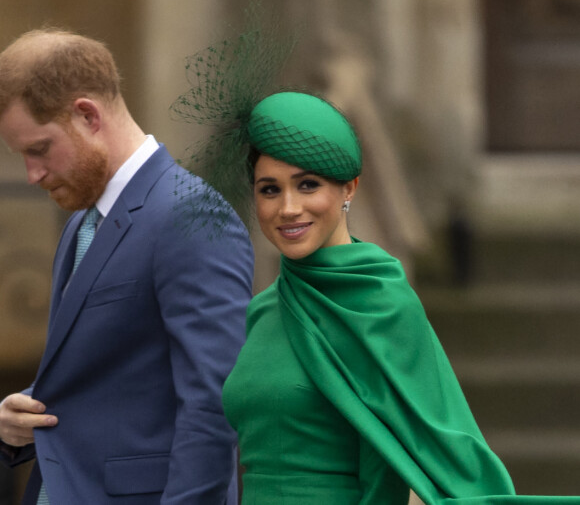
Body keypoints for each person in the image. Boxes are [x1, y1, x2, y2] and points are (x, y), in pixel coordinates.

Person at [176, 79, 579, 503]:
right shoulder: (263, 310)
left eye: (308, 184)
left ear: (349, 187)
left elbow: (427, 456)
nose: (288, 207)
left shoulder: (381, 302)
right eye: (270, 189)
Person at [0, 28, 254, 504]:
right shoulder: (82, 222)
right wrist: (17, 418)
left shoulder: (191, 215)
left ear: (87, 115)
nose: (33, 175)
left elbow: (214, 407)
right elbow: (113, 374)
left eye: (38, 149)